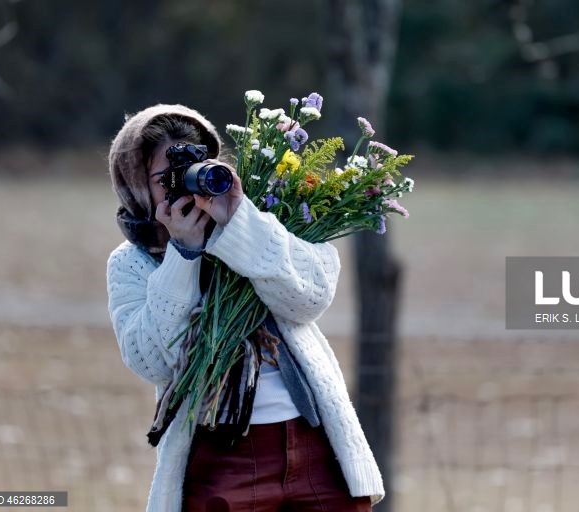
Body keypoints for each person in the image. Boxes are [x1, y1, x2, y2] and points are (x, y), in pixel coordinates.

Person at [106, 104, 385, 511]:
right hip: (221, 457)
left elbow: (311, 298)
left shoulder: (267, 216)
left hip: (315, 446)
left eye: (198, 164)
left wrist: (238, 221)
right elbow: (152, 361)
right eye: (167, 176)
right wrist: (182, 253)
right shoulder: (132, 262)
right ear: (135, 187)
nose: (186, 181)